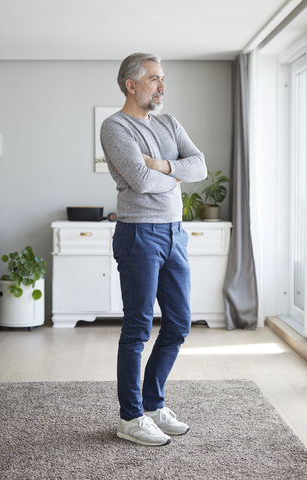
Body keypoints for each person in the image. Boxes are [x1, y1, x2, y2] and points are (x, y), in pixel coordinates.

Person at [100, 53, 207, 446]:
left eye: (163, 79)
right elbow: (139, 182)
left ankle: (152, 404)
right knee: (138, 328)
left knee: (179, 324)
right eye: (155, 79)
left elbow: (200, 167)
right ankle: (130, 418)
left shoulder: (169, 122)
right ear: (132, 84)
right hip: (139, 235)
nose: (163, 86)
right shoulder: (115, 127)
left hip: (174, 234)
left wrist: (163, 166)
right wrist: (172, 174)